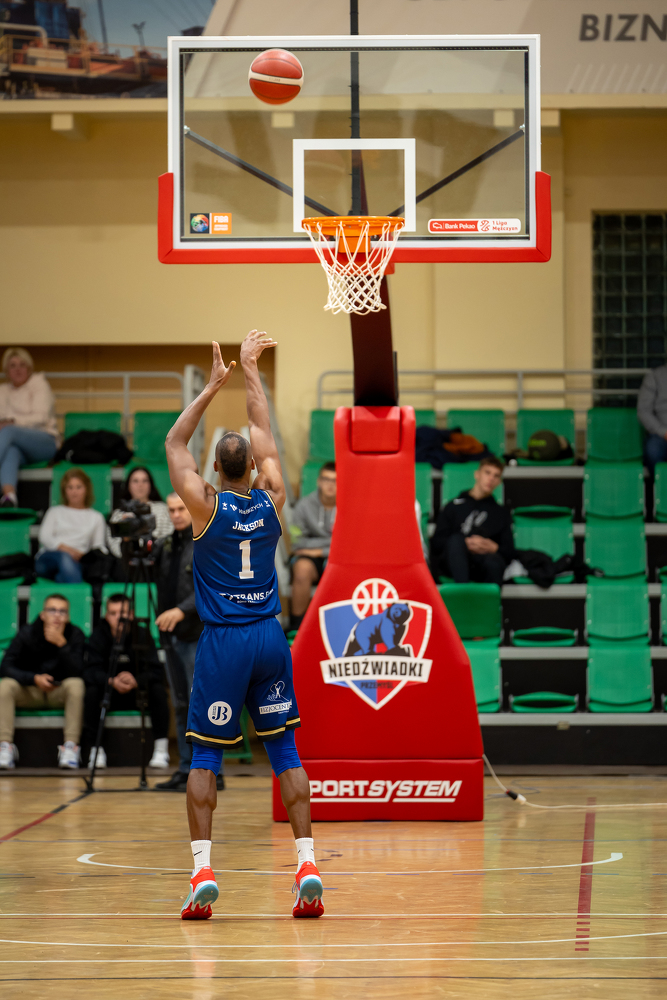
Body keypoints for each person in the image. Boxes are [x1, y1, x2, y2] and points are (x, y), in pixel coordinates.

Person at [165, 331, 323, 921]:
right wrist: (253, 368)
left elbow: (174, 442)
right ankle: (307, 865)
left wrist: (212, 387)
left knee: (205, 758)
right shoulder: (272, 498)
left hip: (224, 642)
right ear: (254, 467)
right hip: (269, 637)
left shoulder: (204, 505)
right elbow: (264, 429)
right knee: (285, 751)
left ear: (214, 468)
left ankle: (203, 872)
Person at [151, 492, 223, 792]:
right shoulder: (167, 544)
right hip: (172, 635)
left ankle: (212, 771)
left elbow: (212, 586)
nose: (176, 514)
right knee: (181, 704)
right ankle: (185, 768)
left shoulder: (206, 540)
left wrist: (181, 610)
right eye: (171, 510)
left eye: (181, 508)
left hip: (199, 634)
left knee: (202, 704)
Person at [83, 593, 171, 769]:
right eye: (113, 613)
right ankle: (95, 750)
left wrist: (136, 680)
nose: (118, 618)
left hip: (137, 692)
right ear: (106, 616)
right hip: (110, 693)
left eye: (122, 613)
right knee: (91, 692)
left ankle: (161, 750)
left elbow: (156, 671)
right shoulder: (98, 635)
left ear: (131, 615)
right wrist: (111, 681)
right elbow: (90, 672)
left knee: (158, 690)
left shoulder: (142, 634)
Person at [0, 593, 85, 769]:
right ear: (43, 614)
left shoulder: (75, 634)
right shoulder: (27, 633)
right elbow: (5, 666)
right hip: (30, 691)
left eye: (62, 611)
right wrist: (33, 678)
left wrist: (62, 645)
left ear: (68, 617)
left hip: (58, 691)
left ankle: (70, 747)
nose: (57, 616)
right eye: (52, 610)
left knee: (77, 685)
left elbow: (79, 671)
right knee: (5, 686)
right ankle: (4, 746)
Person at [430, 456, 513, 585]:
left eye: (496, 476)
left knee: (494, 563)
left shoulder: (501, 513)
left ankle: (489, 599)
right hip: (452, 563)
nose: (491, 478)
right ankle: (464, 594)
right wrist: (464, 543)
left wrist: (494, 547)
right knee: (456, 541)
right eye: (487, 472)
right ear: (477, 474)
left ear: (499, 481)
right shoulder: (453, 506)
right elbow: (436, 543)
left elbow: (509, 551)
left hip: (483, 563)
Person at [0, 348, 59, 508]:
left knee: (9, 431)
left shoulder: (39, 385)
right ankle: (9, 496)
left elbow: (40, 418)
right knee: (11, 450)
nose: (18, 369)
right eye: (13, 366)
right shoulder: (2, 391)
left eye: (22, 365)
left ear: (29, 368)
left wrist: (12, 421)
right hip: (17, 446)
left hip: (45, 442)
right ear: (6, 371)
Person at [35, 468, 107, 583]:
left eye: (79, 487)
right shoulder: (54, 511)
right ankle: (75, 590)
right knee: (65, 558)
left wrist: (83, 556)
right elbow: (44, 537)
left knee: (67, 569)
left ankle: (63, 580)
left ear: (86, 489)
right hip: (50, 558)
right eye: (70, 487)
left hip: (78, 561)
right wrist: (68, 550)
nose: (74, 492)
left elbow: (99, 547)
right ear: (64, 490)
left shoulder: (96, 517)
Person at [289, 461, 336, 631]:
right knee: (302, 569)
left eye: (335, 481)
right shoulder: (304, 506)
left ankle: (337, 629)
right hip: (310, 557)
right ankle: (296, 629)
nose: (330, 485)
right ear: (318, 481)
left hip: (337, 558)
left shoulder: (350, 507)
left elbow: (352, 543)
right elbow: (297, 542)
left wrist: (319, 551)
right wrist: (330, 544)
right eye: (326, 479)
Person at [107, 466, 173, 560]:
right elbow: (114, 542)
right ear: (128, 485)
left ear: (150, 484)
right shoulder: (119, 514)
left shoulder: (163, 509)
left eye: (145, 481)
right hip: (126, 561)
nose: (140, 485)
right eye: (135, 481)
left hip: (157, 559)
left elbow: (168, 537)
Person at [638, 365, 667, 473]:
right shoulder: (655, 376)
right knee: (653, 450)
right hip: (661, 437)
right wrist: (664, 432)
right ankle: (661, 481)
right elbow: (643, 411)